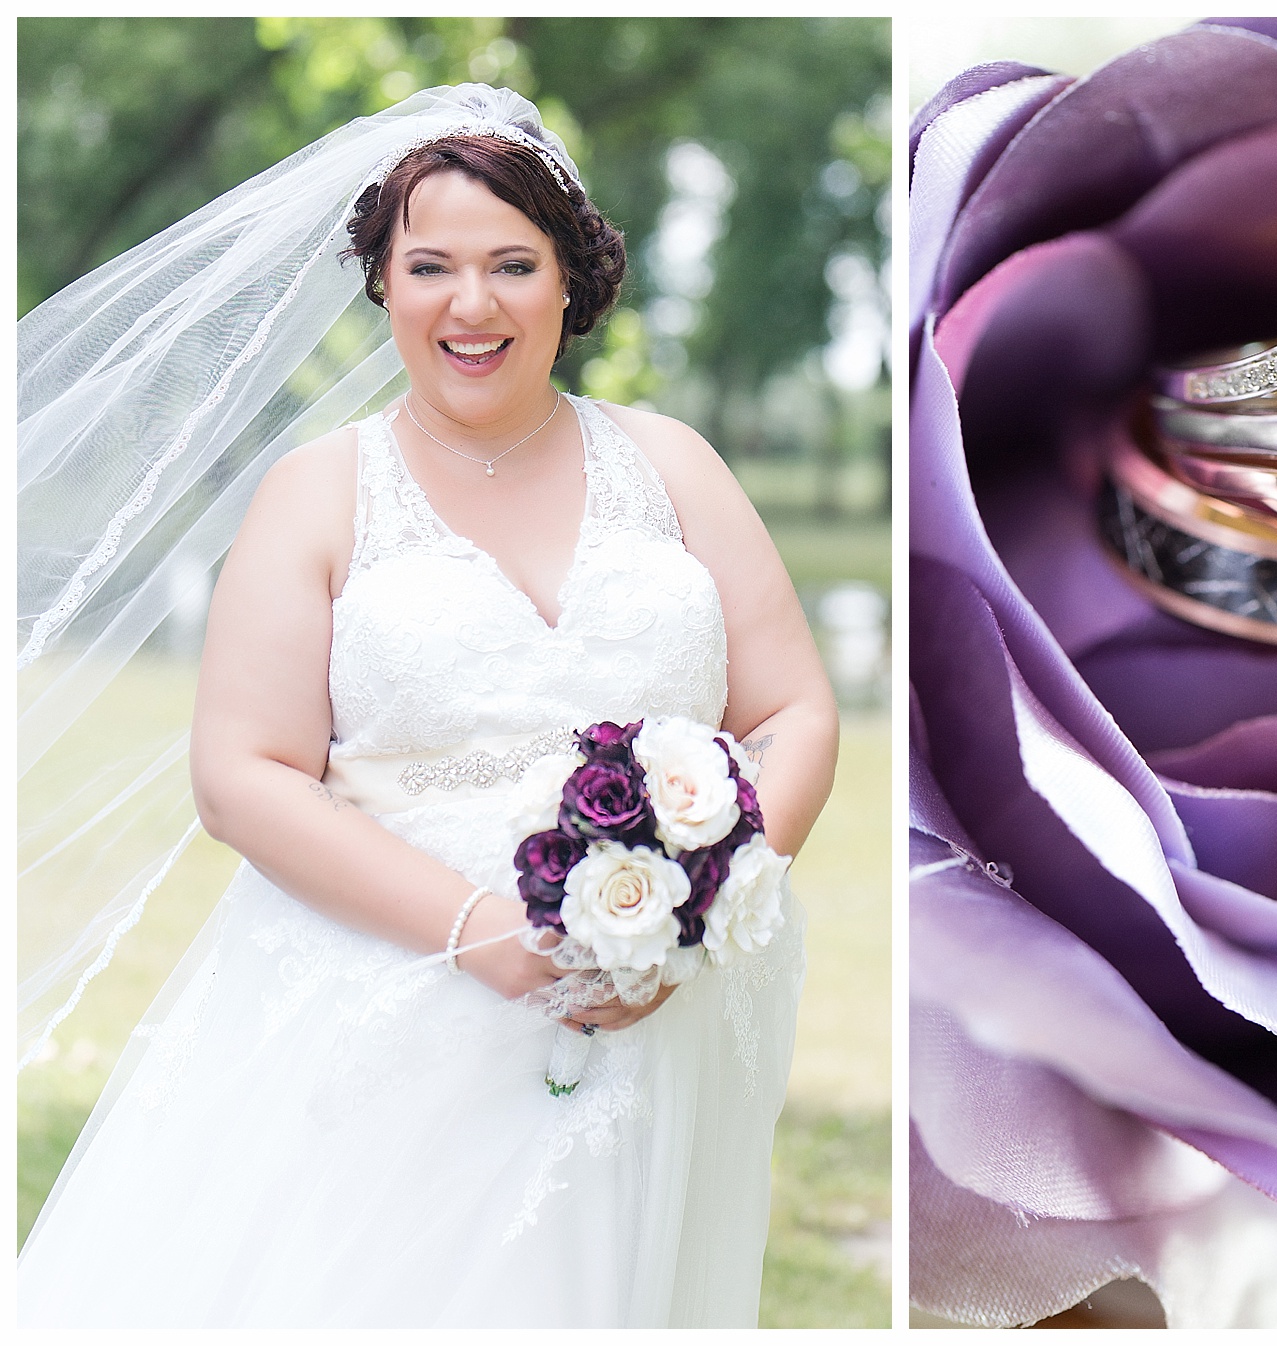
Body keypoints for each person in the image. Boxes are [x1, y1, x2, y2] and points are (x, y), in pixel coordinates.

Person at [17, 84, 837, 1327]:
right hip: (389, 993)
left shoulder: (673, 464)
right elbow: (243, 771)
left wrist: (695, 911)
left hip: (661, 1007)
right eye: (432, 266)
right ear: (384, 286)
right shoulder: (317, 492)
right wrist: (490, 936)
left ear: (572, 280)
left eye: (514, 263)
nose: (473, 303)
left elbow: (795, 715)